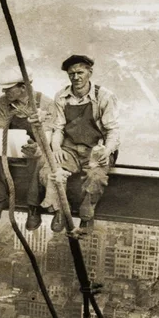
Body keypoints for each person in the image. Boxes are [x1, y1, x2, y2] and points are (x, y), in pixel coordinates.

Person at [40, 55, 119, 232]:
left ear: (89, 72)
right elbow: (58, 127)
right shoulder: (61, 96)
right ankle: (59, 210)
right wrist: (57, 147)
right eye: (71, 74)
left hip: (96, 150)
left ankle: (86, 215)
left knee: (96, 177)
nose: (76, 78)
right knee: (51, 170)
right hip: (70, 148)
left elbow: (113, 130)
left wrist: (107, 151)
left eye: (80, 72)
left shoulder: (104, 96)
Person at [0, 68, 54, 229]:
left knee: (39, 159)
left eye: (8, 89)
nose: (4, 92)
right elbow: (0, 129)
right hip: (12, 145)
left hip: (36, 147)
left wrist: (36, 148)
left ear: (23, 87)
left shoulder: (45, 103)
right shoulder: (3, 102)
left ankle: (33, 206)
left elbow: (47, 137)